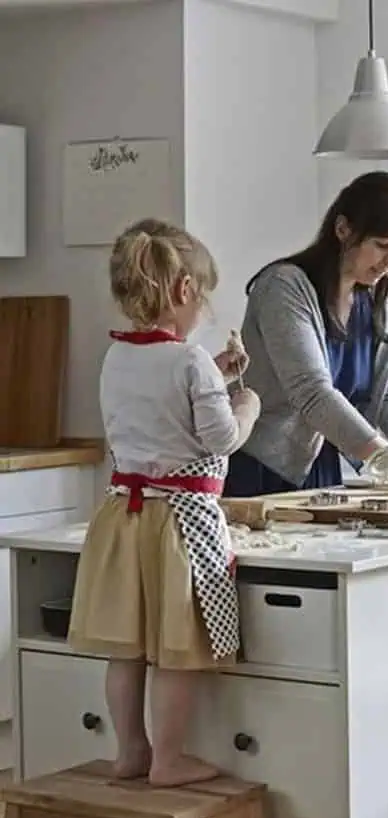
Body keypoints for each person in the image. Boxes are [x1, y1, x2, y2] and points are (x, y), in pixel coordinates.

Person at [67, 218, 261, 786]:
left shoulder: (117, 358)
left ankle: (131, 751)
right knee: (177, 649)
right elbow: (221, 439)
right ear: (183, 292)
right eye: (203, 297)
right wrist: (244, 402)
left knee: (126, 648)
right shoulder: (190, 362)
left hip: (122, 518)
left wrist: (213, 382)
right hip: (179, 523)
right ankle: (170, 761)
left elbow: (160, 414)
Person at [224, 171, 388, 496]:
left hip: (321, 470)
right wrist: (384, 459)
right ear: (343, 229)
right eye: (382, 245)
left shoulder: (374, 301)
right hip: (259, 470)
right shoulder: (283, 287)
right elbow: (311, 392)